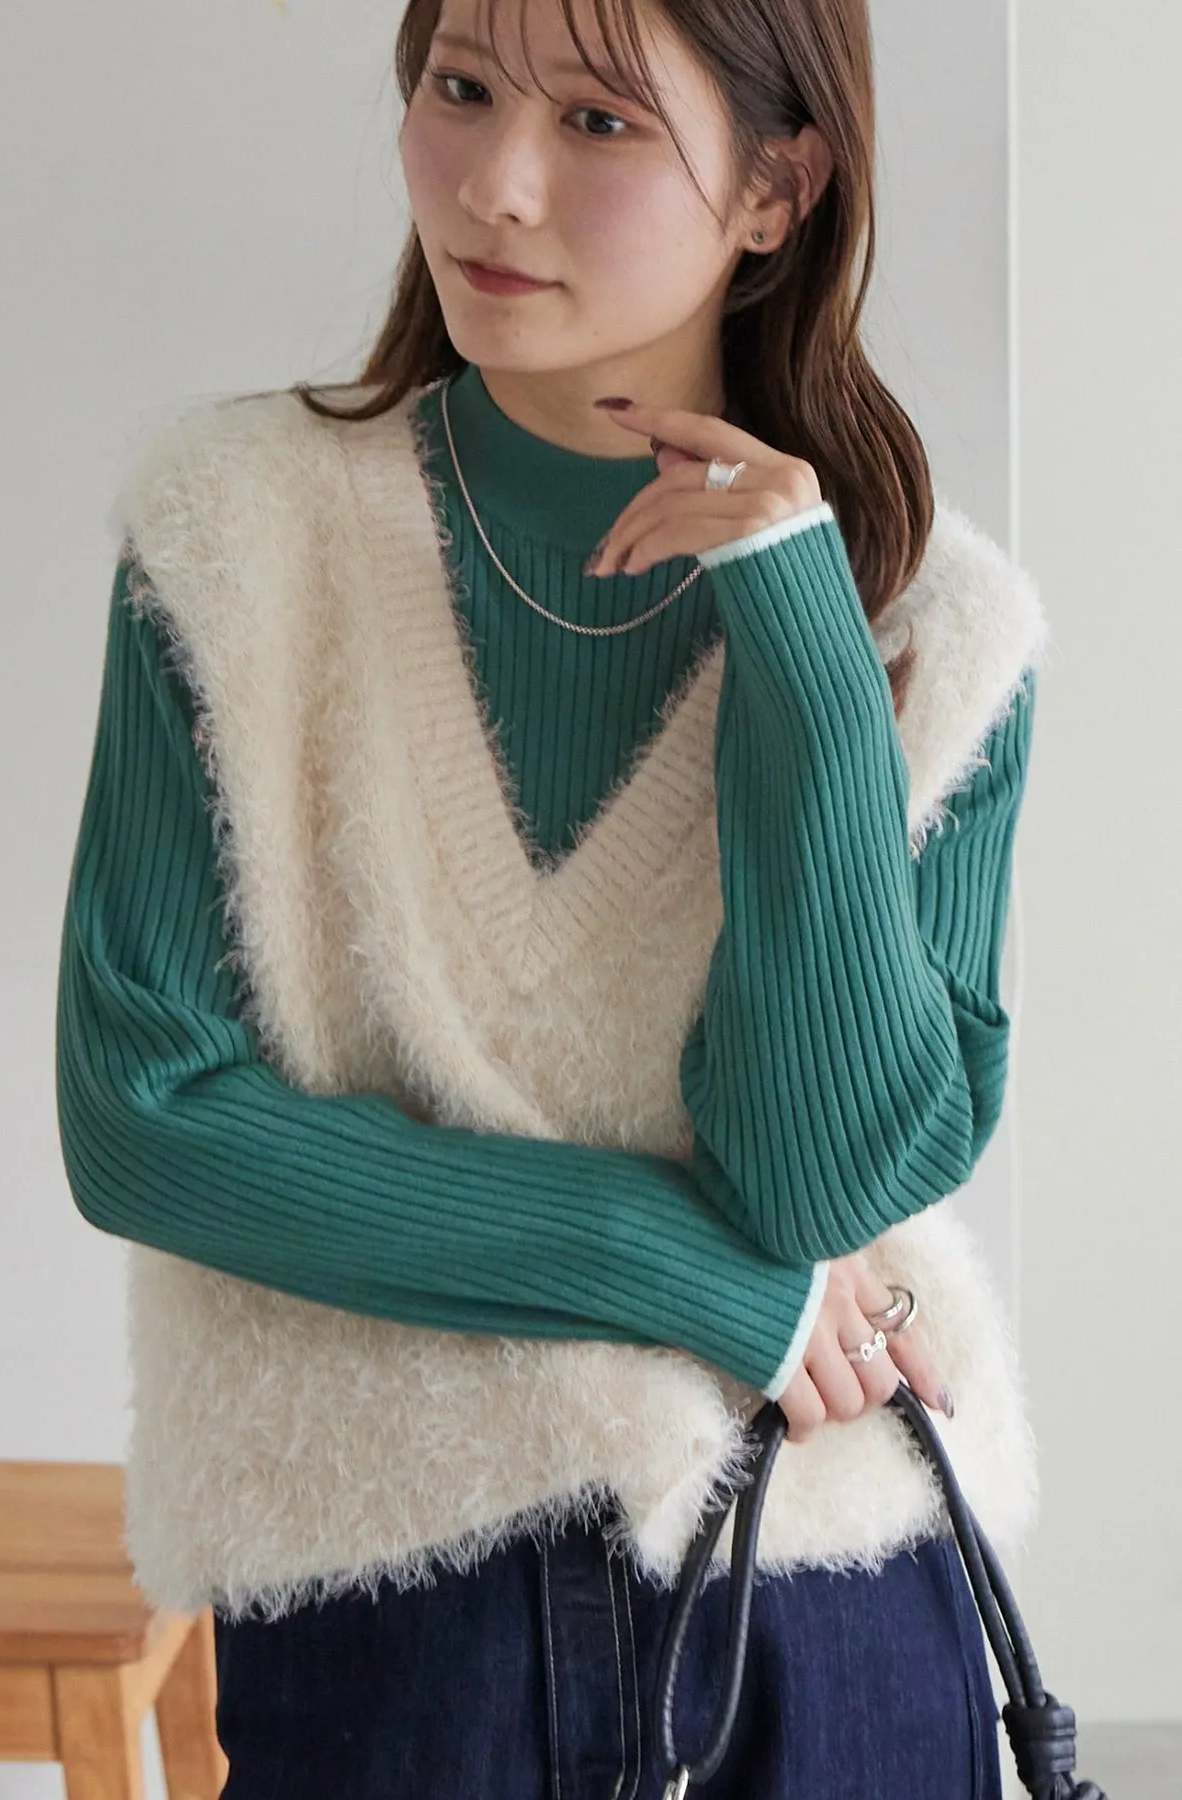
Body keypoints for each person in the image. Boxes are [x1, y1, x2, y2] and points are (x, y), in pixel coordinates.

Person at [55, 0, 1047, 1793]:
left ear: (778, 187)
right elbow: (145, 1121)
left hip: (823, 1585)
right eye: (460, 89)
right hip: (394, 1600)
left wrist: (804, 644)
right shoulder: (237, 534)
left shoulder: (937, 626)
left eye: (598, 123)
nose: (493, 185)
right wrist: (675, 1268)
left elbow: (822, 1180)